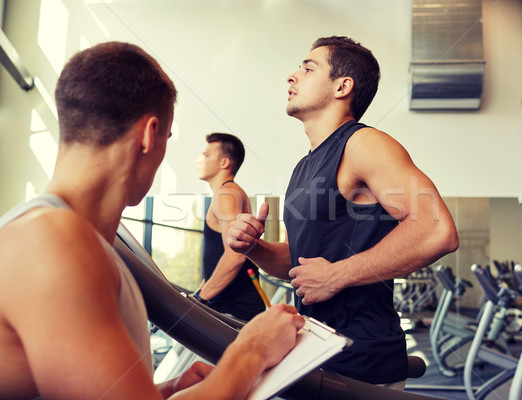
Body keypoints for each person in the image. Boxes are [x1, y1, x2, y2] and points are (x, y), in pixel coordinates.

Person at [0, 41, 304, 400]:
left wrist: (166, 390)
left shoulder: (61, 235)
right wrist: (251, 351)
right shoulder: (54, 242)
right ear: (148, 135)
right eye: (168, 139)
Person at [227, 36, 459, 388]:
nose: (292, 76)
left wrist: (337, 275)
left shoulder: (363, 144)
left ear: (342, 86)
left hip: (362, 360)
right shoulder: (303, 167)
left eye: (308, 68)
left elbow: (437, 229)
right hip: (313, 352)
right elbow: (296, 261)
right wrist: (252, 247)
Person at [193, 133, 265, 321]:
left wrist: (199, 299)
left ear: (224, 163)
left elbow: (236, 254)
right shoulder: (231, 192)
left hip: (234, 311)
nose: (198, 160)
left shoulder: (226, 195)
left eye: (206, 155)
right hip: (231, 308)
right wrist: (200, 291)